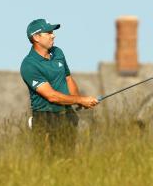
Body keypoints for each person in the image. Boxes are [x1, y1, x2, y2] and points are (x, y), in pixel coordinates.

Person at [20, 18, 98, 156]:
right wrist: (80, 100)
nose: (53, 35)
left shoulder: (58, 52)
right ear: (36, 37)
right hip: (45, 118)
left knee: (67, 160)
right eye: (48, 32)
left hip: (67, 114)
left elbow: (68, 78)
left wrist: (78, 100)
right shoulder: (29, 65)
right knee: (47, 163)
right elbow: (51, 96)